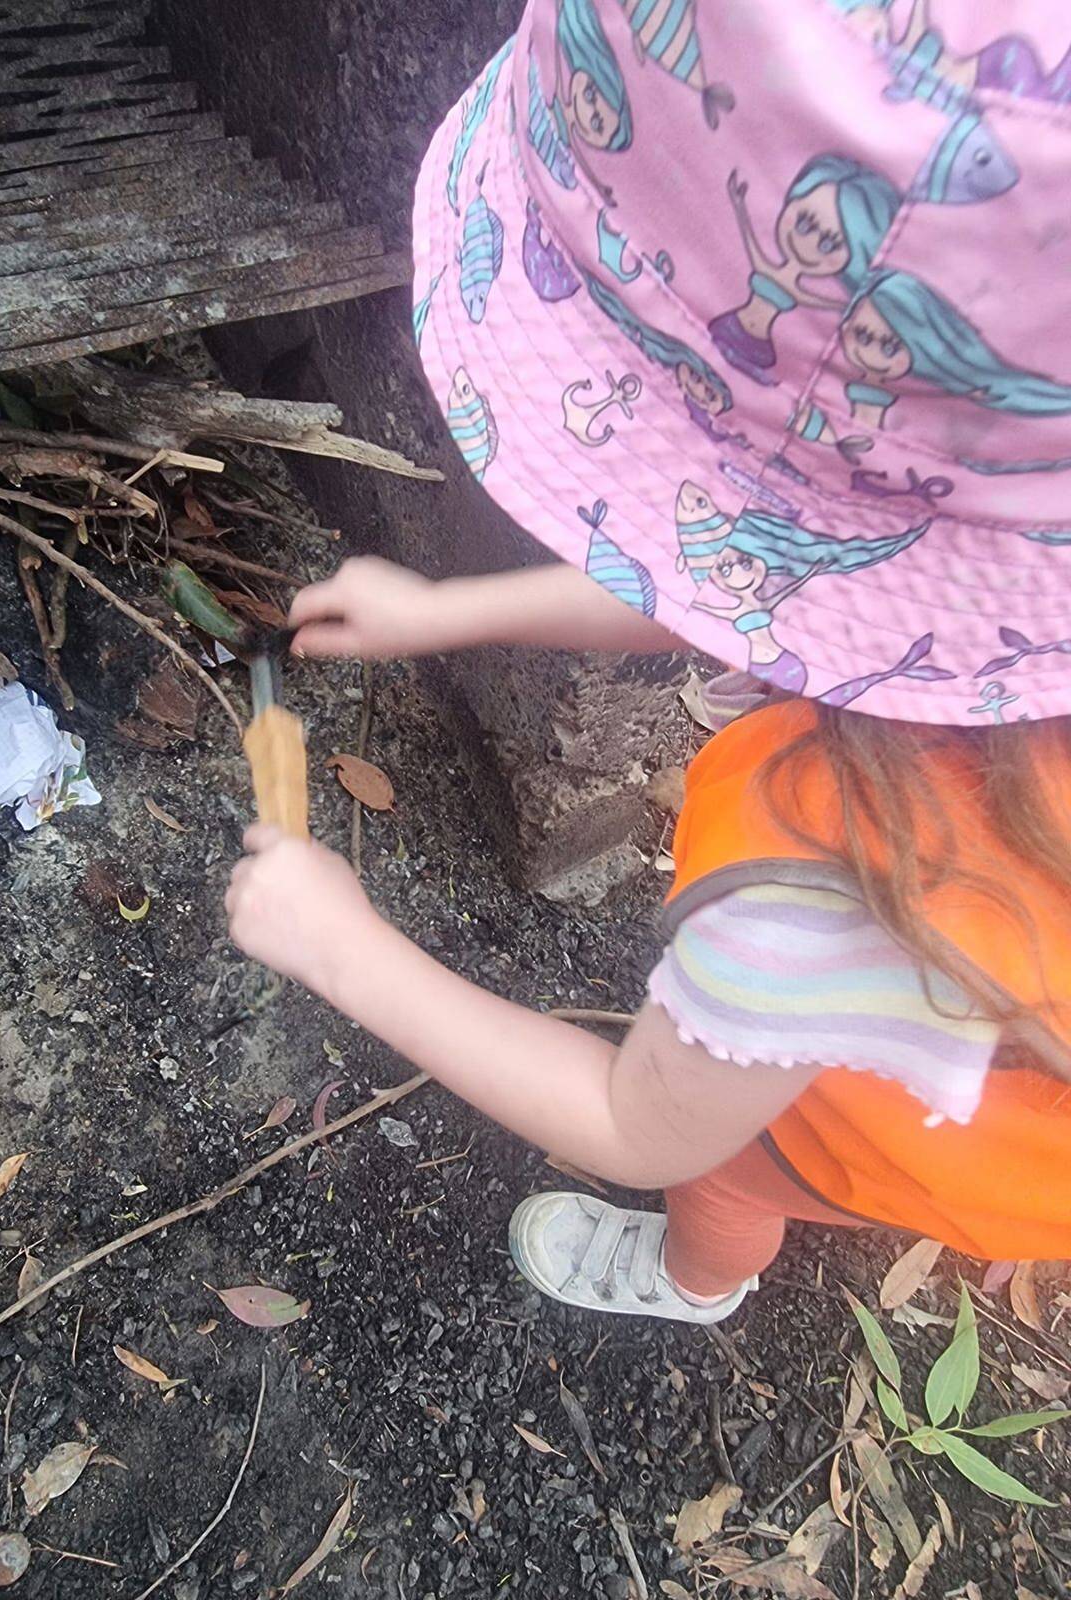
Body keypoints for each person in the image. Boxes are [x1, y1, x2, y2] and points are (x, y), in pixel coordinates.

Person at [228, 0, 1071, 1324]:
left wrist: (343, 948)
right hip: (1018, 1036)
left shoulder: (814, 902)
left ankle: (692, 1284)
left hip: (916, 1124)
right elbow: (753, 594)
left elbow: (641, 1126)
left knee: (740, 1170)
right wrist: (448, 612)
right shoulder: (996, 609)